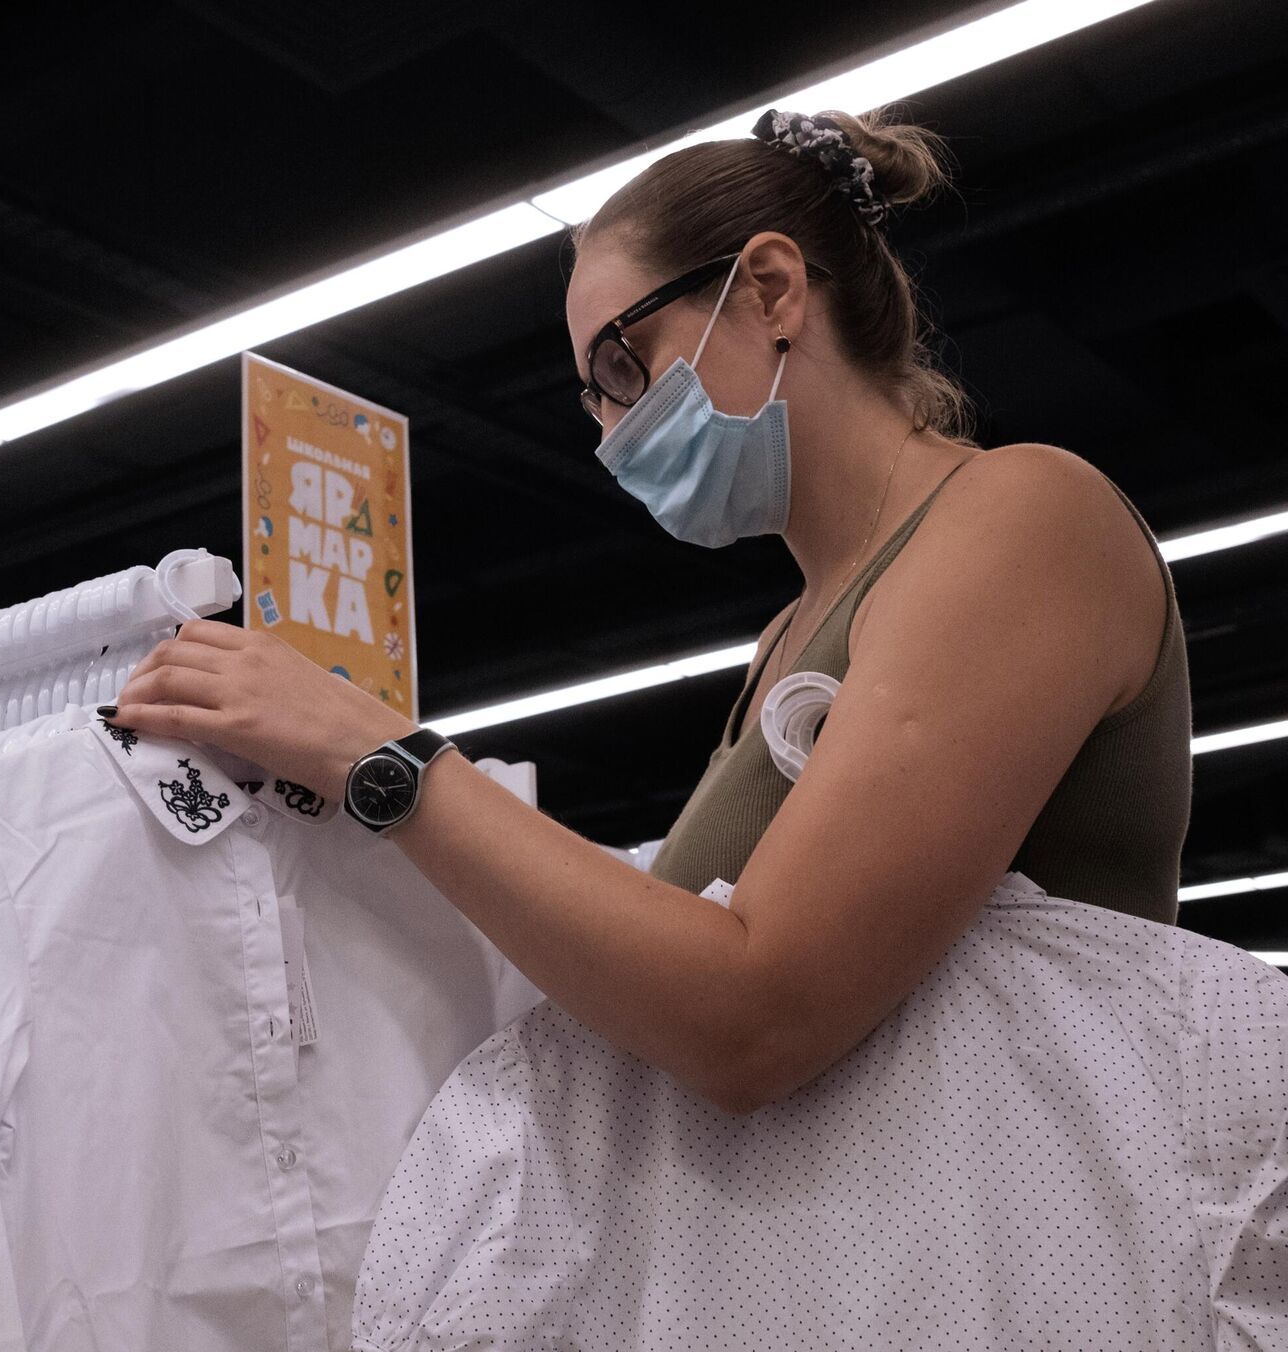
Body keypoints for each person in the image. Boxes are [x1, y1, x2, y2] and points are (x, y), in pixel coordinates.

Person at [102, 105, 1191, 1121]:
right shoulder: (790, 638)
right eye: (595, 394)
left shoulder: (1023, 516)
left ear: (770, 290)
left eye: (625, 364)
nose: (610, 433)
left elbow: (759, 1009)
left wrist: (376, 754)